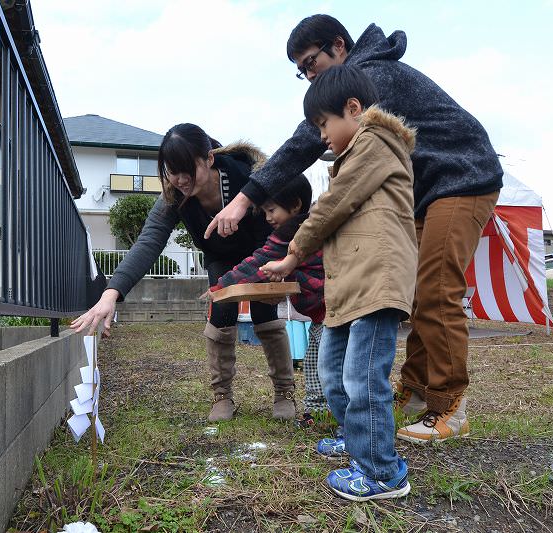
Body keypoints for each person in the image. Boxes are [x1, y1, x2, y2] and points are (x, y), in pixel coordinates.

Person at [207, 14, 503, 444]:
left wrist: (245, 199)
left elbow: (307, 152)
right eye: (301, 71)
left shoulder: (371, 78)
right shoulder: (357, 92)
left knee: (438, 289)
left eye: (311, 63)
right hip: (428, 191)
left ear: (339, 47)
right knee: (418, 292)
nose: (309, 77)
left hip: (462, 179)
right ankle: (418, 392)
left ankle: (449, 405)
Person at [70, 123, 296, 423]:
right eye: (172, 171)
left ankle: (284, 392)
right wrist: (111, 293)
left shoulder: (246, 176)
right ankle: (222, 396)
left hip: (262, 250)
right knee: (221, 315)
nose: (180, 179)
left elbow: (284, 217)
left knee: (265, 314)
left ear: (209, 159)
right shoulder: (174, 196)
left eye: (187, 169)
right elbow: (148, 242)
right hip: (220, 257)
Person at [263, 65, 417, 501]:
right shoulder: (352, 155)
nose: (322, 135)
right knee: (332, 372)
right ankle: (358, 442)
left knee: (363, 377)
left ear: (354, 109)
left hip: (376, 279)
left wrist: (292, 253)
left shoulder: (376, 142)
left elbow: (332, 205)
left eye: (324, 124)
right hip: (349, 285)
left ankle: (382, 472)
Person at [205, 174, 329, 426]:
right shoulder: (315, 225)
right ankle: (317, 412)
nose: (267, 217)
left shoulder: (290, 232)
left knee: (328, 365)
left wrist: (222, 284)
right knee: (316, 361)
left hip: (333, 310)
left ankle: (329, 410)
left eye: (271, 210)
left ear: (294, 205)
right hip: (322, 313)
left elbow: (259, 261)